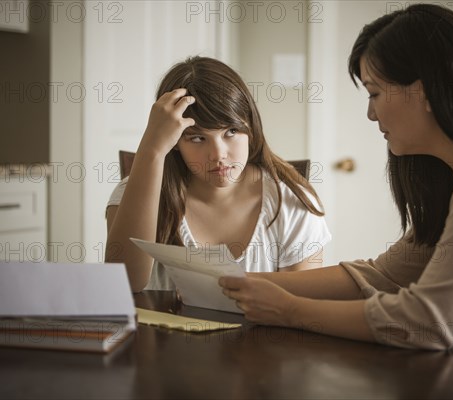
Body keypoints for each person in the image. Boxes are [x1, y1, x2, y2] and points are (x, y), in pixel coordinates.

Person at [219, 4, 453, 396]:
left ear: (425, 90)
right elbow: (384, 276)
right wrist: (244, 284)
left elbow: (431, 322)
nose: (371, 113)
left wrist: (289, 310)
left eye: (375, 92)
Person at [105, 56, 331, 293]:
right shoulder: (129, 192)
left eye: (231, 131)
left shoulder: (292, 201)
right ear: (174, 143)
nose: (218, 154)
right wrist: (151, 150)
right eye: (197, 138)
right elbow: (125, 284)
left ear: (250, 127)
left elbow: (301, 304)